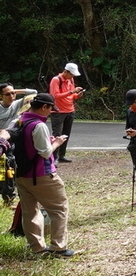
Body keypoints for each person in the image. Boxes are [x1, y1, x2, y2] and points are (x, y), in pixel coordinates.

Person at [14, 92, 76, 256]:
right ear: (44, 107)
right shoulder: (39, 126)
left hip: (21, 174)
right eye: (50, 109)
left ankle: (37, 248)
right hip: (41, 175)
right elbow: (45, 152)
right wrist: (56, 143)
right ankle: (58, 247)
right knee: (59, 209)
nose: (50, 113)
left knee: (30, 211)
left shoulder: (20, 121)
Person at [48, 63, 85, 161]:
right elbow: (55, 96)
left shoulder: (70, 80)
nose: (72, 76)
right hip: (58, 111)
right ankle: (54, 157)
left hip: (70, 110)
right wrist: (72, 92)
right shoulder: (56, 80)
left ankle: (61, 156)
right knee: (57, 135)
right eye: (71, 74)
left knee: (66, 134)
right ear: (66, 71)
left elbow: (71, 95)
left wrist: (77, 95)